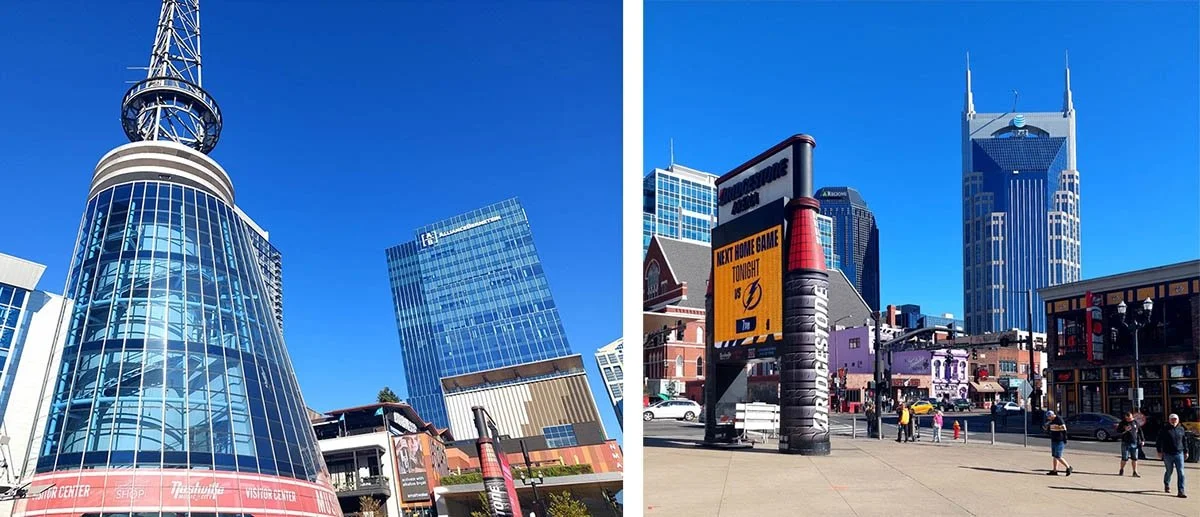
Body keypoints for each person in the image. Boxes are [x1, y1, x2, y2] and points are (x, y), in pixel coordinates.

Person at [1156, 413, 1189, 498]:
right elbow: (1159, 441)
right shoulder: (1164, 430)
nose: (1174, 421)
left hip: (1179, 453)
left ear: (1178, 420)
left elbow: (1184, 441)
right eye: (1172, 419)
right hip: (1168, 454)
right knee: (1169, 471)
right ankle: (1166, 484)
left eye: (1175, 419)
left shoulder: (1181, 429)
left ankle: (1181, 491)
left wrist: (1186, 451)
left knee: (1181, 472)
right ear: (1169, 420)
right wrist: (1159, 451)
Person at [1043, 410, 1073, 476]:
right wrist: (1046, 429)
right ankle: (1054, 470)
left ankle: (1068, 467)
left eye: (1049, 417)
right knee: (1054, 456)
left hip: (1060, 440)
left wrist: (1065, 439)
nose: (1048, 418)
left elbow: (1064, 430)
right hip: (1054, 439)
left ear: (1052, 415)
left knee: (1058, 456)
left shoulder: (1059, 420)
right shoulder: (1051, 421)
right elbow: (1050, 429)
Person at [1116, 411, 1143, 477]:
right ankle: (1121, 469)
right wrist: (1124, 429)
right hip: (1125, 442)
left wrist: (1142, 440)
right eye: (1127, 419)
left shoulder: (1135, 422)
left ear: (1132, 417)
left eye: (1130, 418)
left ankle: (1135, 472)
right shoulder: (1123, 423)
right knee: (1125, 458)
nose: (1129, 420)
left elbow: (1140, 431)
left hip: (1134, 442)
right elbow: (1118, 431)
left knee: (1135, 458)